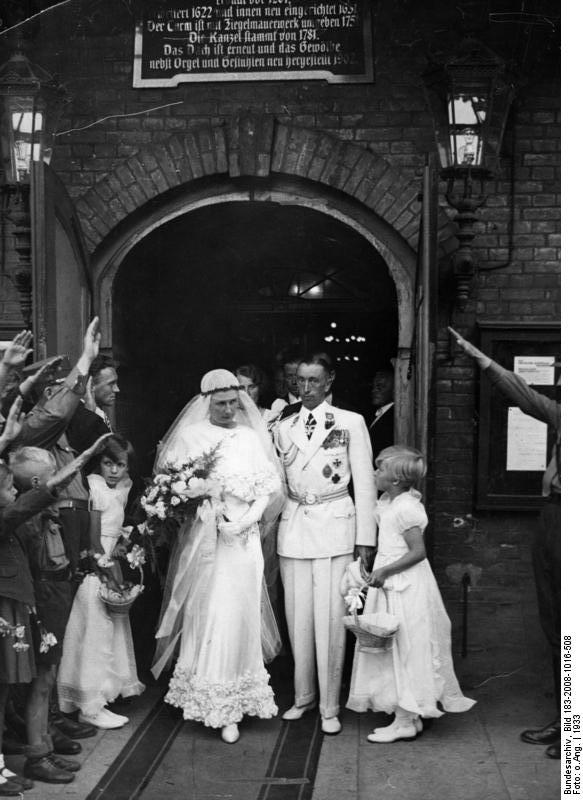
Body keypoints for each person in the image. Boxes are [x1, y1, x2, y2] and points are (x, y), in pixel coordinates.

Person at [152, 370, 283, 744]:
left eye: (233, 403)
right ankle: (208, 698)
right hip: (206, 537)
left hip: (242, 540)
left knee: (238, 611)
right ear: (206, 403)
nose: (228, 410)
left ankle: (235, 701)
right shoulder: (191, 437)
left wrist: (247, 520)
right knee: (209, 611)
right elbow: (175, 488)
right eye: (221, 403)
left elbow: (266, 487)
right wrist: (202, 508)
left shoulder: (247, 437)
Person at [449, 326, 561, 759]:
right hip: (554, 518)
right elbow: (524, 394)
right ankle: (570, 722)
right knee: (557, 627)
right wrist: (481, 359)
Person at [273, 353, 377, 735]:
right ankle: (303, 697)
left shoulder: (350, 422)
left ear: (329, 381)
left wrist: (366, 538)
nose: (306, 388)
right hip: (295, 527)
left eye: (314, 380)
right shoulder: (283, 426)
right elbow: (276, 482)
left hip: (336, 528)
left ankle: (330, 705)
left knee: (332, 621)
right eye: (300, 381)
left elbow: (365, 484)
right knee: (297, 618)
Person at [346, 445, 476, 741]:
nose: (375, 473)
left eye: (380, 470)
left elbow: (418, 552)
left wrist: (385, 571)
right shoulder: (389, 502)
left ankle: (406, 719)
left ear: (393, 480)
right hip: (390, 580)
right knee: (392, 645)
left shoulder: (406, 508)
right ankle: (406, 716)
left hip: (404, 584)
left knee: (407, 645)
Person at [6, 434, 111, 785]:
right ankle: (37, 753)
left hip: (55, 590)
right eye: (54, 473)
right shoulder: (24, 515)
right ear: (37, 483)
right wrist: (84, 458)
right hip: (43, 596)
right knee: (41, 676)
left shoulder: (38, 510)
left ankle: (43, 744)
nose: (63, 479)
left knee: (45, 675)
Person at [57, 435, 144, 729]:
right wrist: (104, 567)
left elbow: (114, 531)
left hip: (110, 560)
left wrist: (121, 546)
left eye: (120, 464)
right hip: (96, 564)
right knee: (95, 630)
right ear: (100, 463)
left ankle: (103, 696)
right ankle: (89, 705)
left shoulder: (121, 489)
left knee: (108, 630)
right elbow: (93, 536)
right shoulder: (95, 487)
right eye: (108, 463)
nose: (114, 470)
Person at [369, 368, 395, 460]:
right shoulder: (380, 413)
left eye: (380, 386)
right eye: (374, 386)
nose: (374, 390)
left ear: (394, 390)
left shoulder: (394, 418)